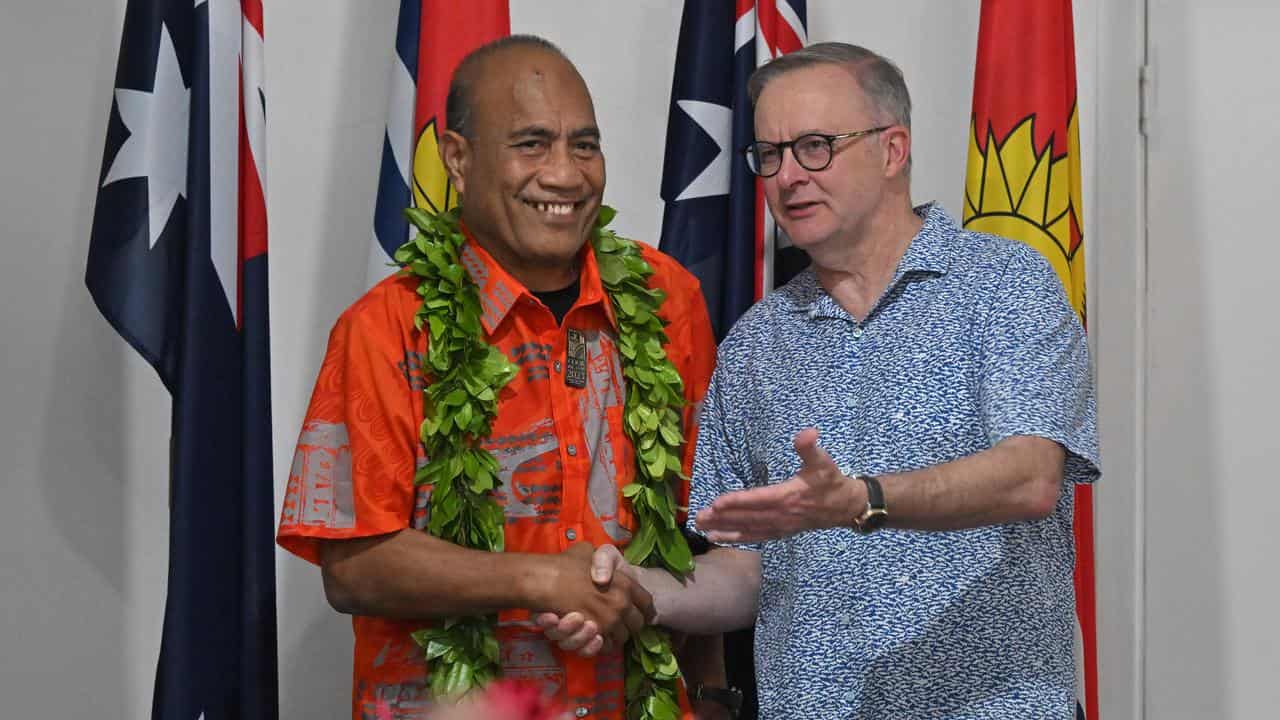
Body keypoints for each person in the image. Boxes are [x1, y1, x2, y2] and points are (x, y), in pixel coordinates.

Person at [540, 42, 1100, 719]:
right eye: (769, 155)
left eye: (814, 147)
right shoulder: (755, 343)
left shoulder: (1006, 286)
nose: (786, 177)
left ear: (893, 151)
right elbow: (744, 570)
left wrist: (862, 499)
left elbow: (1030, 478)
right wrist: (637, 590)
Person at [276, 35, 722, 720]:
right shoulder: (385, 328)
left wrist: (713, 699)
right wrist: (543, 579)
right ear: (458, 158)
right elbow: (353, 564)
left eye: (584, 145)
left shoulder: (669, 299)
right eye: (532, 144)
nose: (565, 175)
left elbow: (705, 529)